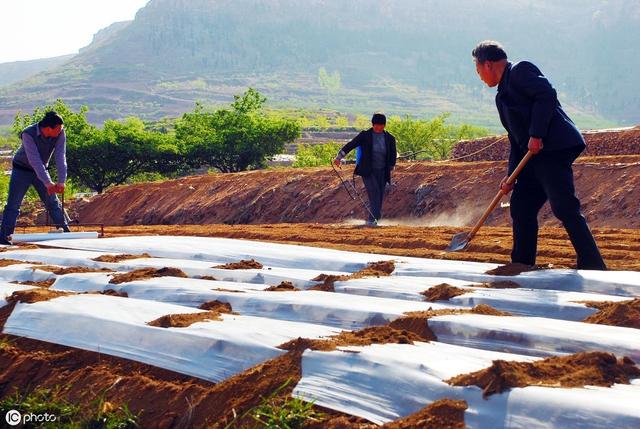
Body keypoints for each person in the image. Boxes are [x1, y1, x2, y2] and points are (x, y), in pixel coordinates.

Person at [472, 40, 606, 270]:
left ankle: (593, 264)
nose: (480, 77)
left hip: (551, 150)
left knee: (564, 206)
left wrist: (536, 133)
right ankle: (522, 264)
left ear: (488, 65)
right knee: (521, 206)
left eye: (478, 70)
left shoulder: (520, 71)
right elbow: (515, 139)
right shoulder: (501, 96)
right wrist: (511, 176)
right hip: (532, 158)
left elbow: (546, 95)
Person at [0, 111, 70, 245]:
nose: (61, 131)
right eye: (58, 129)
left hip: (41, 169)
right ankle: (4, 237)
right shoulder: (28, 134)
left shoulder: (60, 133)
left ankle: (65, 231)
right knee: (13, 205)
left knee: (53, 202)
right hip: (22, 169)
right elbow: (35, 160)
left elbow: (61, 156)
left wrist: (61, 181)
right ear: (49, 128)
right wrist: (48, 183)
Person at [333, 113, 397, 226]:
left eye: (381, 125)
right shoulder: (365, 135)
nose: (379, 127)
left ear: (384, 125)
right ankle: (374, 219)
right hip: (367, 170)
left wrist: (391, 165)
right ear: (373, 124)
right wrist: (339, 157)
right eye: (376, 125)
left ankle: (374, 218)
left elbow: (392, 154)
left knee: (380, 194)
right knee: (375, 192)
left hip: (383, 171)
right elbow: (351, 145)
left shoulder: (390, 138)